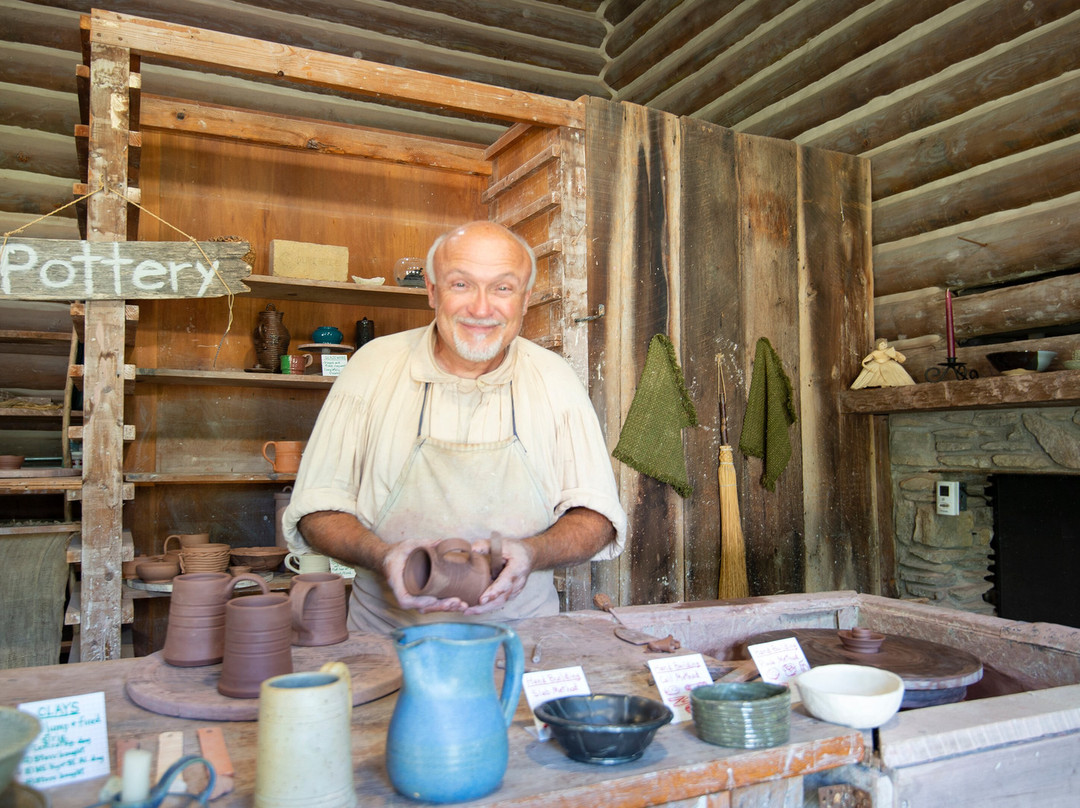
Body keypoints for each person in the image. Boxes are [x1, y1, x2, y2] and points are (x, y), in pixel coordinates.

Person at [282, 221, 627, 633]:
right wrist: (381, 555)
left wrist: (531, 553)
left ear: (525, 298)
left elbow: (596, 517)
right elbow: (316, 509)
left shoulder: (556, 379)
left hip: (523, 636)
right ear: (432, 290)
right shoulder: (372, 367)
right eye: (461, 284)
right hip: (385, 639)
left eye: (502, 288)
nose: (481, 309)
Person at [850, 338, 915, 389]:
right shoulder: (875, 352)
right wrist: (864, 364)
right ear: (877, 346)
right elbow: (868, 358)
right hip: (876, 365)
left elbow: (898, 355)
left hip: (889, 364)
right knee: (873, 377)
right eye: (881, 345)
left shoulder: (888, 350)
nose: (884, 346)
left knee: (893, 375)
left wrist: (897, 357)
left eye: (884, 344)